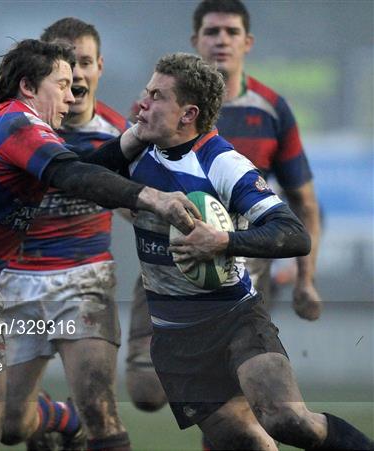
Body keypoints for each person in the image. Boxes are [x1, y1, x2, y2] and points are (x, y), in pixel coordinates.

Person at [0, 38, 197, 451]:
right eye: (63, 83)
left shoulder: (27, 132)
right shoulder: (16, 125)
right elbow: (76, 177)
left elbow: (80, 170)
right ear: (29, 87)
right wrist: (154, 199)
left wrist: (137, 135)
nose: (72, 95)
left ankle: (60, 417)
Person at [110, 51, 373, 449]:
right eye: (146, 92)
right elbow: (78, 178)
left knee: (286, 420)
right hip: (175, 335)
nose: (143, 103)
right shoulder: (133, 153)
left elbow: (294, 233)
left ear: (188, 114)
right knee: (249, 444)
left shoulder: (223, 163)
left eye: (157, 96)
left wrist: (223, 241)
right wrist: (127, 140)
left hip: (234, 317)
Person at [125, 0, 324, 413]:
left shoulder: (271, 110)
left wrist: (306, 279)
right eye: (211, 32)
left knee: (247, 401)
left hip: (241, 277)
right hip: (168, 269)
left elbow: (303, 202)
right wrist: (155, 210)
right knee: (145, 392)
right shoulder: (156, 110)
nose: (221, 41)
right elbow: (125, 185)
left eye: (231, 32)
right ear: (194, 40)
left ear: (247, 42)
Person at [0, 18, 132, 451]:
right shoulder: (12, 127)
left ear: (99, 67)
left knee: (99, 406)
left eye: (84, 62)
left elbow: (138, 203)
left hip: (84, 279)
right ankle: (60, 419)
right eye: (64, 65)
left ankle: (85, 419)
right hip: (17, 282)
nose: (75, 75)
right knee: (11, 426)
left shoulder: (119, 136)